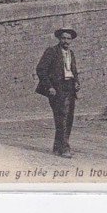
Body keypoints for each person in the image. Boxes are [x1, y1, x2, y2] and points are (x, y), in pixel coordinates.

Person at [36, 28, 80, 157]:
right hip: (57, 89)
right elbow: (41, 69)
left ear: (71, 40)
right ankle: (65, 148)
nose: (66, 41)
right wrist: (49, 87)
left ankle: (57, 147)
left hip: (70, 88)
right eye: (64, 38)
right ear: (59, 39)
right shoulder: (52, 51)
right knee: (62, 118)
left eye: (68, 39)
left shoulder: (71, 53)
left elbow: (73, 71)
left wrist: (76, 82)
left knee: (68, 118)